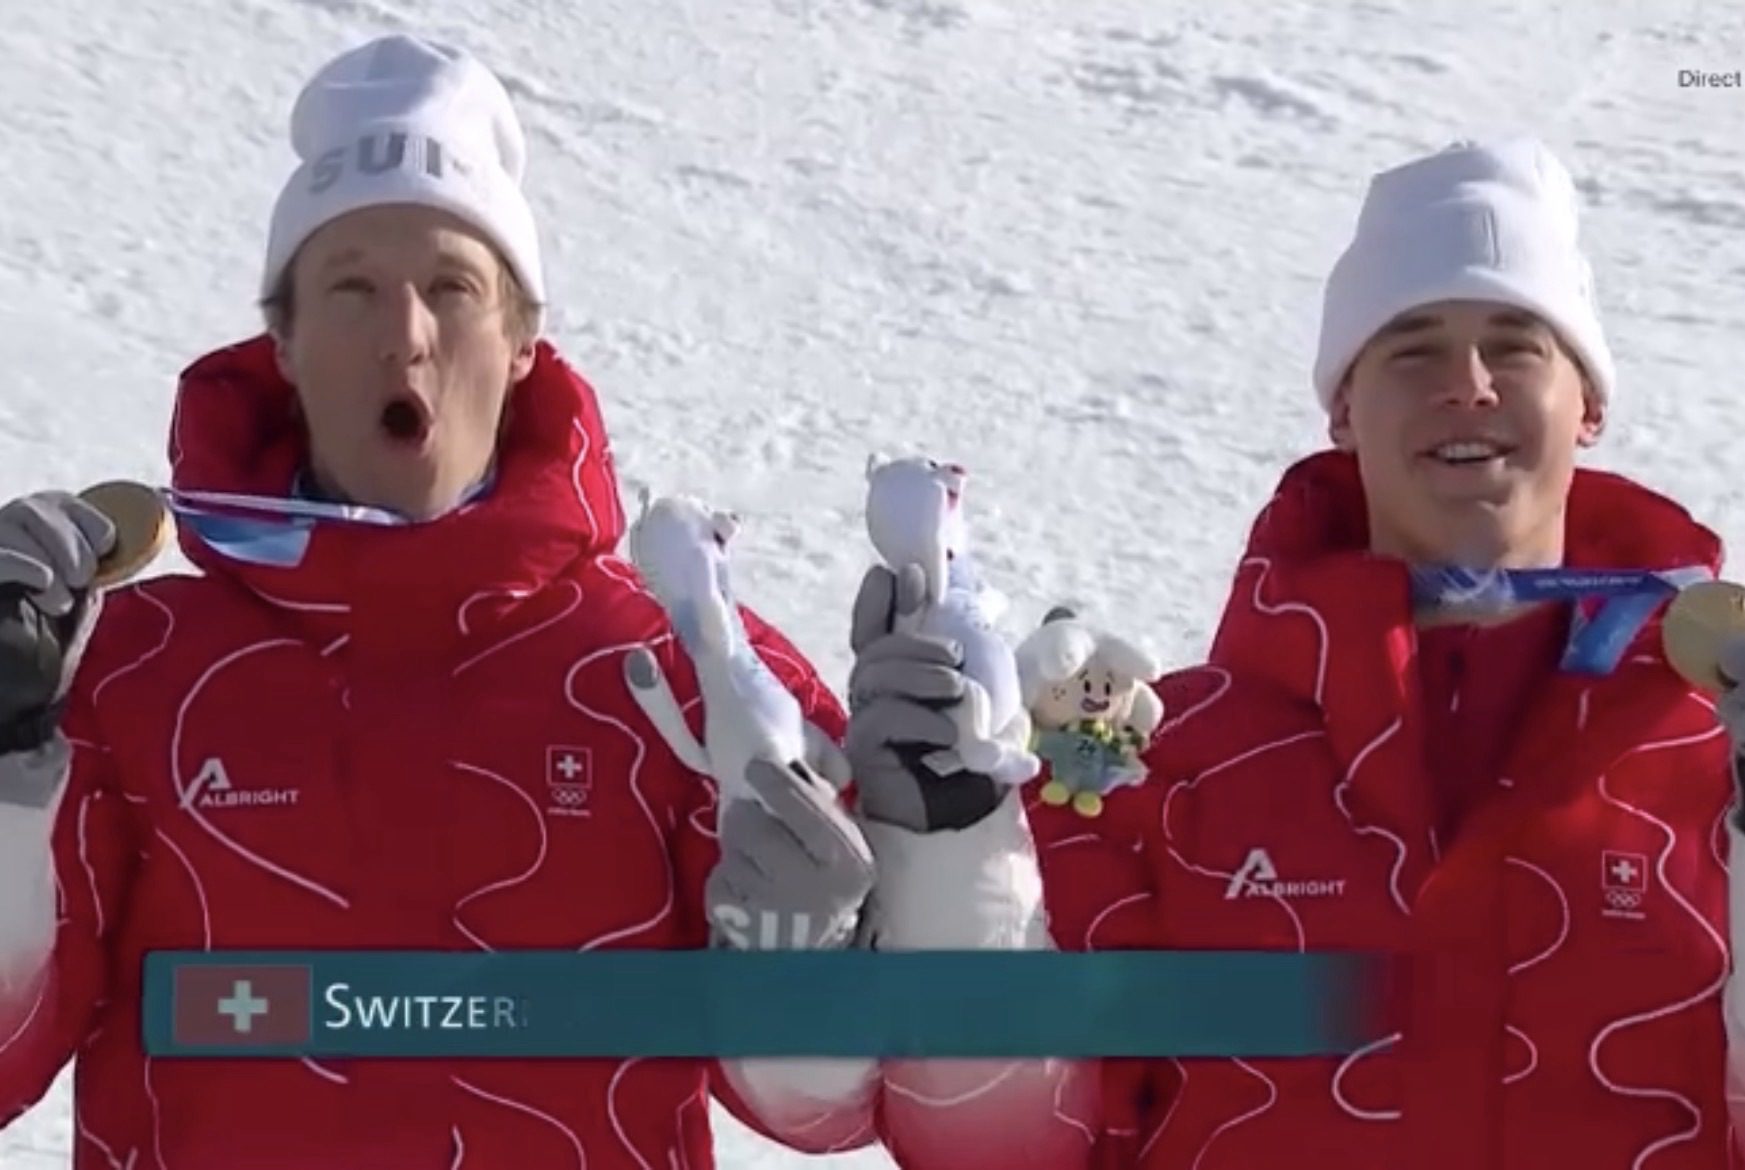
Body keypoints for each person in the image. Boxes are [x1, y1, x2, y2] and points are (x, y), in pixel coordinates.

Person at [0, 33, 978, 1167]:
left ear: (521, 342)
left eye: (453, 289)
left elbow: (829, 1110)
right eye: (352, 286)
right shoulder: (129, 669)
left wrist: (797, 962)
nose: (404, 335)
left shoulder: (678, 664)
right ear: (284, 339)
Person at [839, 137, 1745, 1168]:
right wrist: (956, 862)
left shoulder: (1705, 754)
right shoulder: (1164, 759)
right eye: (1411, 347)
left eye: (1515, 344)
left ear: (1586, 408)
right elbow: (1000, 1148)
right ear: (1343, 411)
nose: (1468, 383)